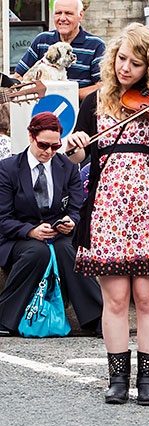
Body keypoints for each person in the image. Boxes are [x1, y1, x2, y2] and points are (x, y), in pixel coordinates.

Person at [65, 23, 149, 406]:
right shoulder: (94, 102)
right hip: (107, 203)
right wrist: (73, 144)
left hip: (148, 204)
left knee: (146, 298)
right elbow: (79, 155)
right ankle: (117, 378)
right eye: (122, 59)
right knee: (114, 300)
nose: (126, 68)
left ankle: (148, 380)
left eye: (136, 63)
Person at [0, 112, 103, 336]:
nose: (48, 152)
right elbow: (3, 218)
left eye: (55, 146)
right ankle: (5, 318)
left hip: (57, 233)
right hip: (17, 235)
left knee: (68, 250)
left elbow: (77, 209)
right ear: (30, 136)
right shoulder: (8, 169)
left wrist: (71, 222)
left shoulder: (66, 168)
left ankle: (97, 317)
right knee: (37, 253)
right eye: (43, 145)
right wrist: (30, 231)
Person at [13, 0, 105, 101]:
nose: (62, 18)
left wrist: (66, 93)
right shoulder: (42, 40)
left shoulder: (96, 45)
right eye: (58, 13)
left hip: (79, 112)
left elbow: (103, 86)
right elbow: (19, 77)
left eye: (68, 13)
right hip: (40, 110)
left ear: (80, 15)